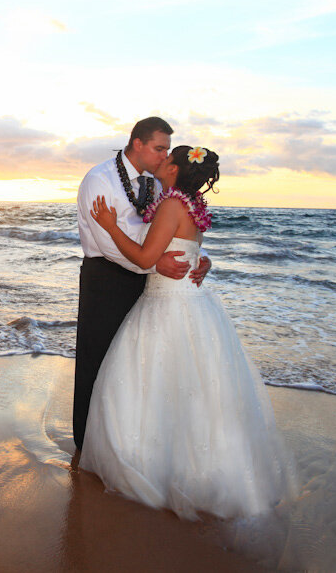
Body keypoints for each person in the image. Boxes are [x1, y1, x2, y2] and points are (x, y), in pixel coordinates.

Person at [80, 145, 297, 519]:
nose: (161, 161)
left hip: (167, 306)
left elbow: (147, 260)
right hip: (193, 304)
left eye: (167, 159)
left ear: (176, 169)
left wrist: (110, 225)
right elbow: (191, 248)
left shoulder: (171, 206)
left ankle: (156, 468)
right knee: (191, 392)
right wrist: (204, 262)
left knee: (158, 386)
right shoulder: (191, 205)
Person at [73, 117, 210, 451]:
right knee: (98, 361)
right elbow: (107, 242)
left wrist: (197, 259)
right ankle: (88, 442)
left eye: (167, 150)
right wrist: (154, 263)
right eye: (159, 148)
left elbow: (173, 232)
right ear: (138, 144)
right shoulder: (100, 179)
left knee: (133, 364)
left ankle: (128, 439)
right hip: (107, 277)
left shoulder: (156, 183)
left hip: (148, 284)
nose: (164, 157)